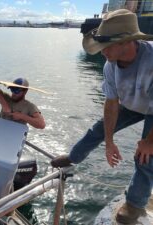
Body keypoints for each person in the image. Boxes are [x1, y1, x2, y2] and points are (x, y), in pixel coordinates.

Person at [51, 9, 153, 224]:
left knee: (146, 157)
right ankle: (74, 156)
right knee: (98, 130)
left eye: (105, 46)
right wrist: (109, 141)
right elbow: (111, 103)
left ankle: (135, 204)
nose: (101, 51)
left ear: (127, 42)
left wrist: (148, 141)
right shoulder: (109, 65)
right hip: (132, 103)